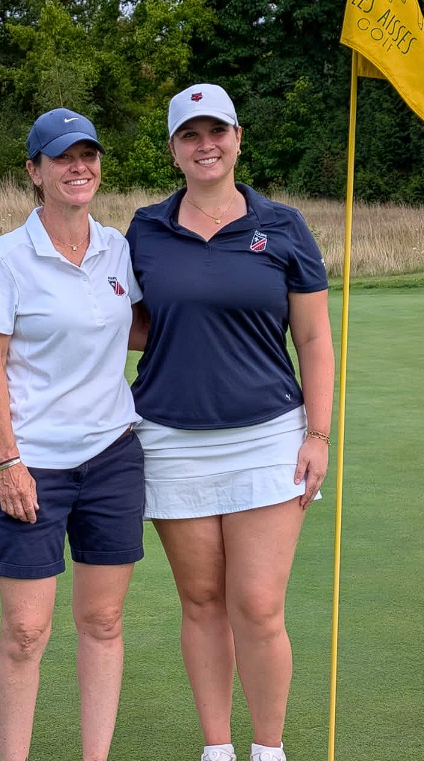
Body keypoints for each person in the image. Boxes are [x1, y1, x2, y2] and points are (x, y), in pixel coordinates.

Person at [126, 84, 334, 761]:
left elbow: (313, 338)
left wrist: (318, 434)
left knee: (258, 605)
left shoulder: (284, 227)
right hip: (170, 439)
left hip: (268, 435)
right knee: (201, 601)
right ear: (173, 150)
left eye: (216, 131)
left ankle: (268, 749)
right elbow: (126, 322)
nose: (205, 145)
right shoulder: (145, 229)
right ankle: (216, 749)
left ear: (238, 139)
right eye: (190, 135)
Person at [0, 108, 144, 761]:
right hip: (32, 464)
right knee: (24, 631)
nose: (79, 167)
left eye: (87, 155)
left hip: (112, 458)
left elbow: (136, 327)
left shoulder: (116, 248)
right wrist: (8, 461)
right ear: (34, 171)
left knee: (102, 620)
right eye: (62, 157)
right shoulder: (8, 257)